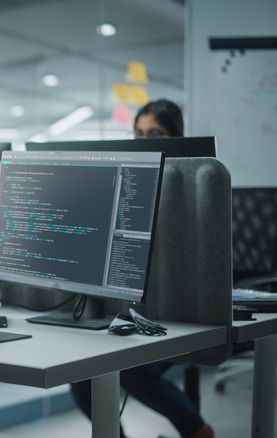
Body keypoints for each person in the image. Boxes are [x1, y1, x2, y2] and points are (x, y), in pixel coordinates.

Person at [69, 99, 214, 438]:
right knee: (80, 376)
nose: (144, 141)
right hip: (130, 310)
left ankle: (198, 431)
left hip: (180, 310)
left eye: (155, 134)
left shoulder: (196, 189)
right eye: (139, 133)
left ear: (177, 138)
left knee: (137, 372)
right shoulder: (124, 188)